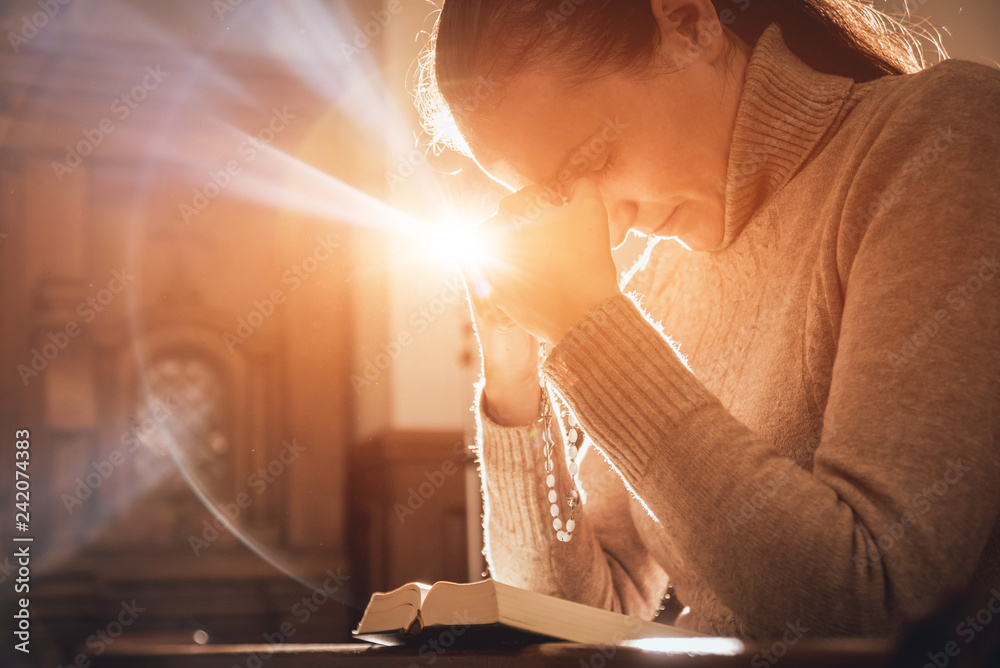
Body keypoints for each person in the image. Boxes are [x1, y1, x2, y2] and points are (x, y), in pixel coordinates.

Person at [416, 0, 1000, 639]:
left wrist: (592, 337)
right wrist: (512, 381)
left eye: (588, 164)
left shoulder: (944, 132)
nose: (606, 230)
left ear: (689, 22)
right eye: (557, 198)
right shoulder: (663, 283)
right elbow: (582, 619)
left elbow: (876, 604)